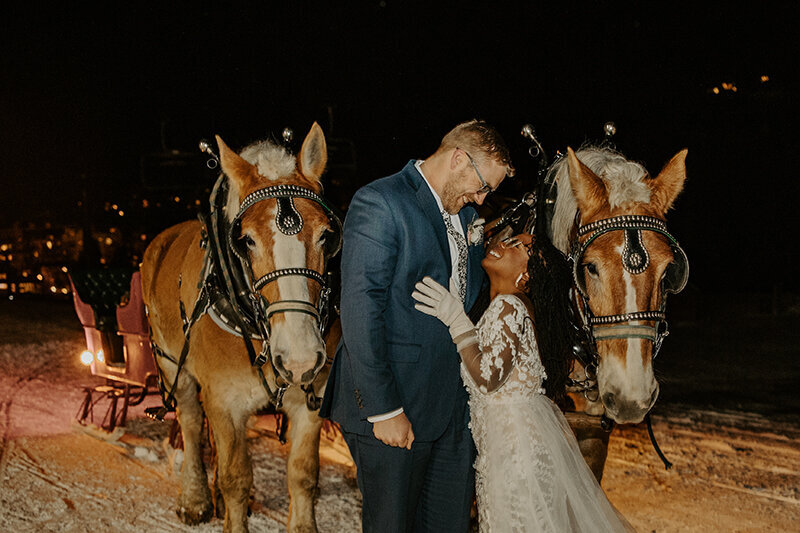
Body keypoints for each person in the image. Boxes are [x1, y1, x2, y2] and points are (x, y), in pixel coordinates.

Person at [319, 120, 514, 532]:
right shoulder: (381, 202)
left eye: (488, 192)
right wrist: (385, 409)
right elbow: (360, 308)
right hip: (396, 408)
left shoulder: (465, 215)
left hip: (453, 416)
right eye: (482, 186)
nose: (482, 198)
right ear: (458, 158)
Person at [411, 233, 635, 532]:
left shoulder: (510, 307)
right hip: (502, 451)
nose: (505, 243)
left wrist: (456, 320)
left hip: (517, 457)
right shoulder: (504, 307)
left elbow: (489, 377)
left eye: (519, 247)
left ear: (525, 275)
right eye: (510, 240)